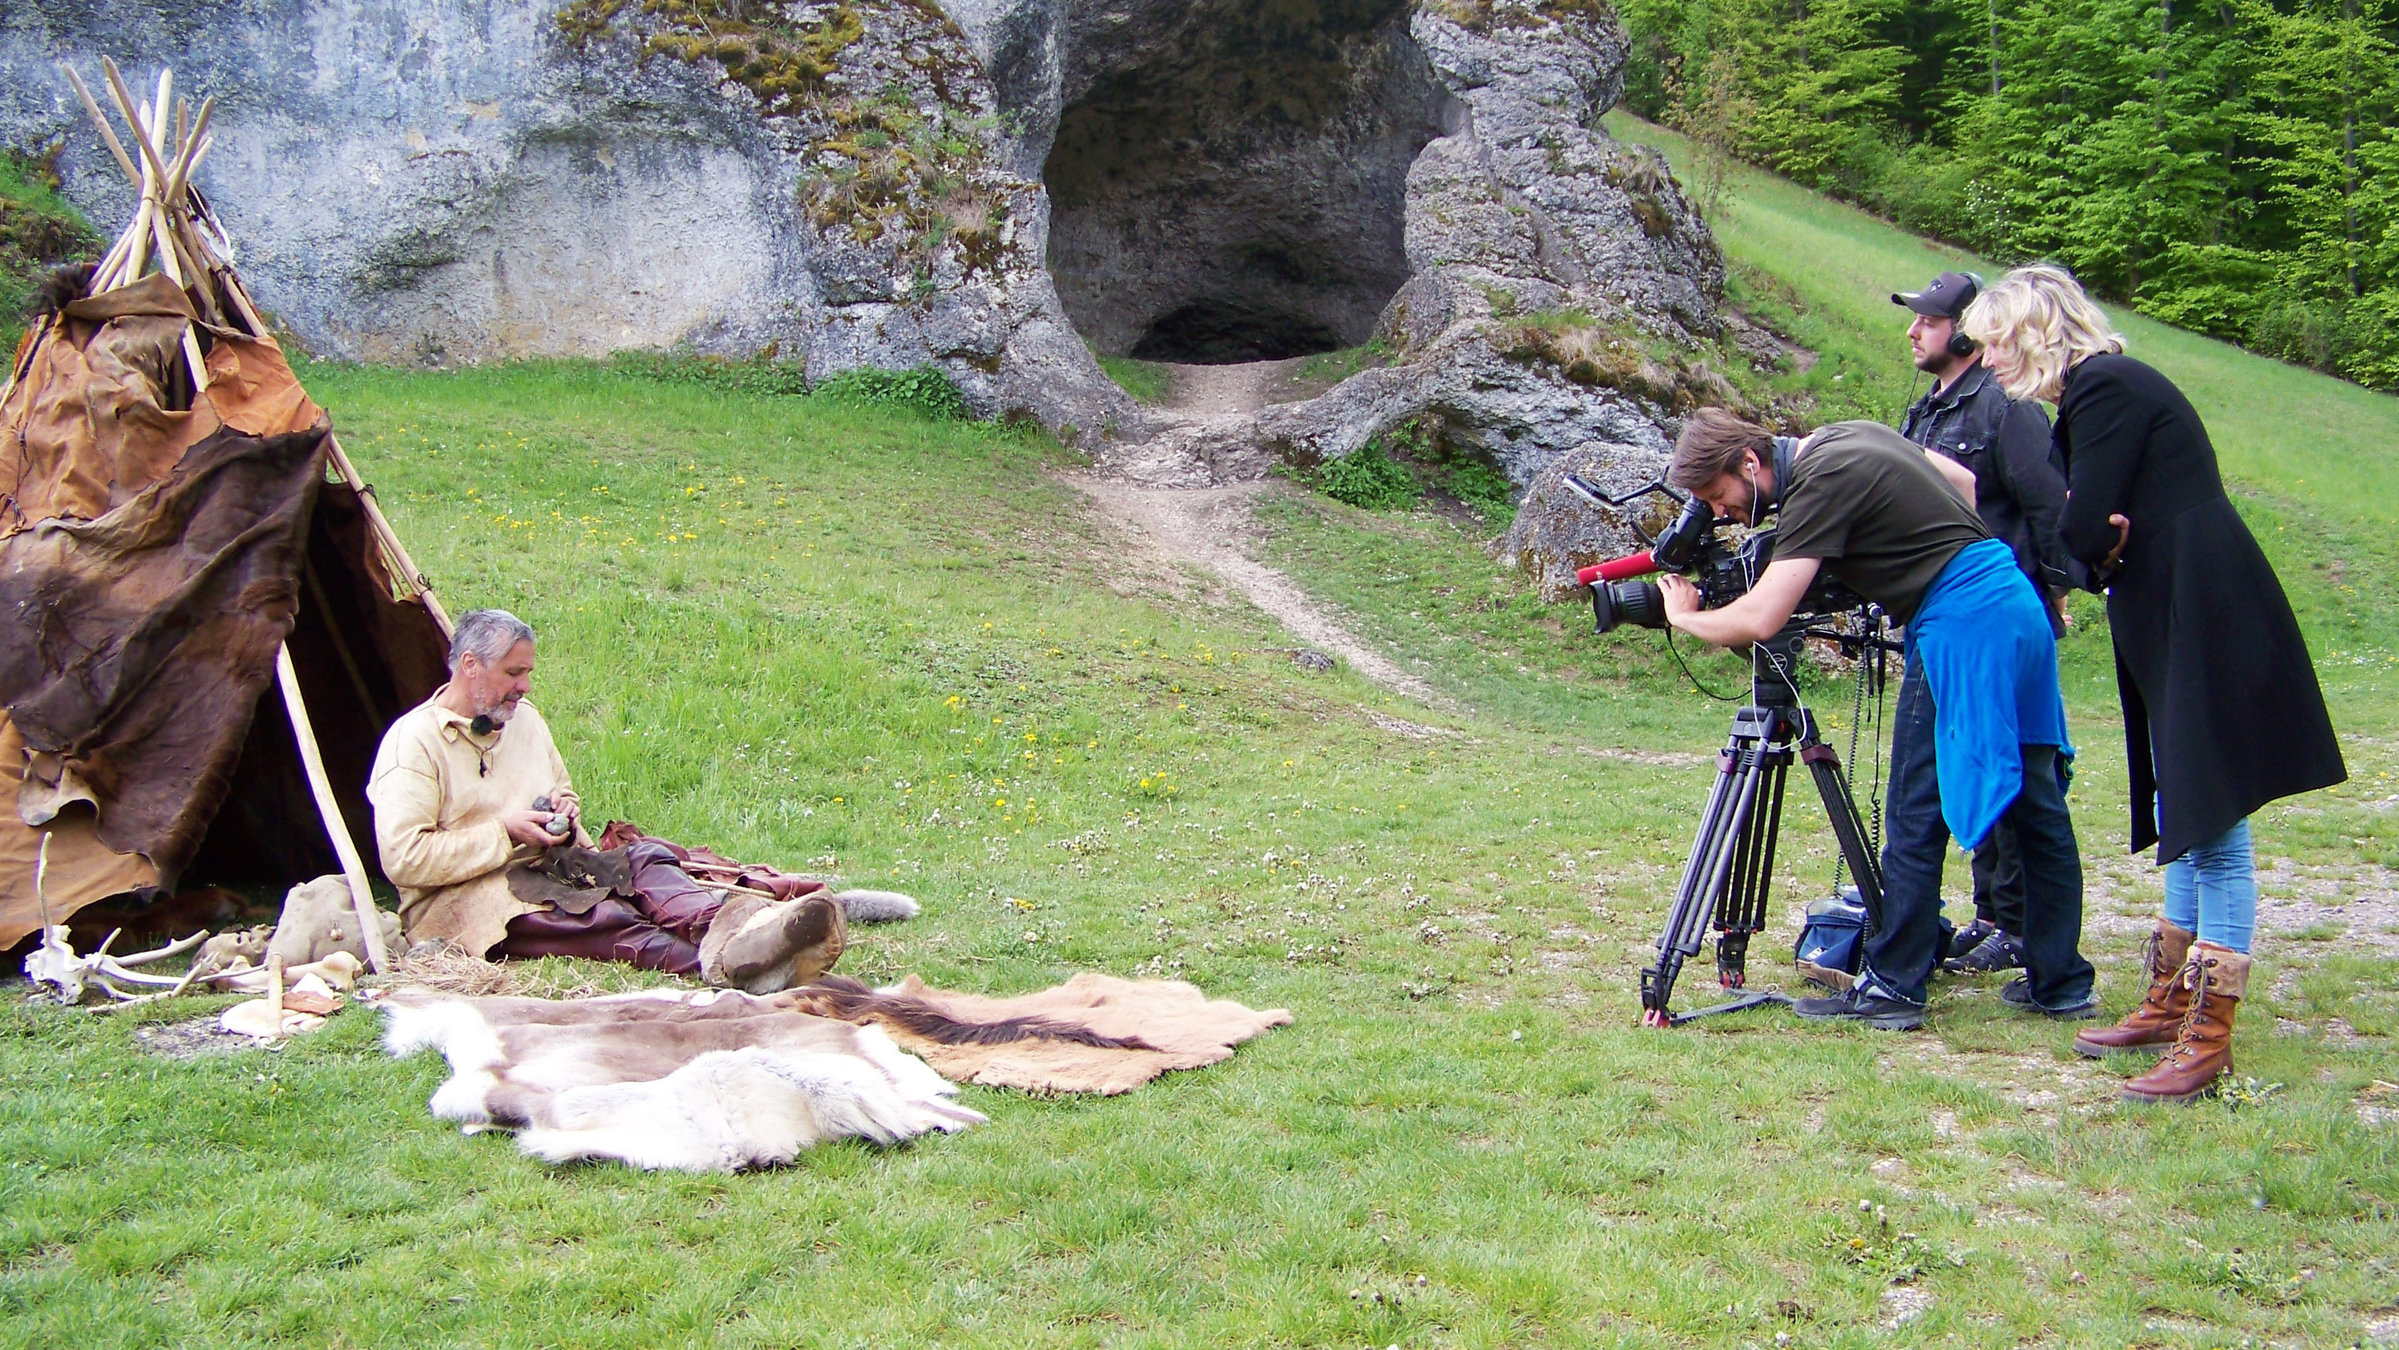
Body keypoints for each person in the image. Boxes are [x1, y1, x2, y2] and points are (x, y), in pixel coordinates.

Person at [1963, 266, 2346, 1102]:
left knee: (2210, 809)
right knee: (2184, 800)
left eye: (1993, 339)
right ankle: (2171, 1002)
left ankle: (2206, 1035)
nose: (1984, 356)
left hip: (2196, 600)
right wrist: (2100, 545)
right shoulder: (2096, 392)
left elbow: (2079, 522)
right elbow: (2091, 530)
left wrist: (2097, 545)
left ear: (2031, 332)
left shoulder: (2105, 387)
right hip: (2170, 596)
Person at [1660, 409, 2095, 1030]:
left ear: (1749, 464)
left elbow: (1761, 618)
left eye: (1720, 496)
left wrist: (1686, 617)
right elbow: (1964, 484)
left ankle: (1893, 985)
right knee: (2035, 800)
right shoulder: (1846, 435)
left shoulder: (1817, 482)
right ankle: (2062, 981)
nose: (1723, 513)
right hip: (2011, 600)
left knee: (1915, 806)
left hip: (1961, 622)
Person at [368, 608, 847, 991]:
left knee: (646, 858)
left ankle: (737, 934)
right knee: (603, 916)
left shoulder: (524, 719)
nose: (525, 686)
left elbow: (562, 788)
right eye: (514, 673)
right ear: (470, 665)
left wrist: (564, 810)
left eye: (528, 673)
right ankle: (736, 971)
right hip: (472, 897)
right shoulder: (413, 743)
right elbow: (404, 860)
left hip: (550, 864)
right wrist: (504, 832)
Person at [1892, 270, 2079, 976]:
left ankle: (2021, 924)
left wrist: (2054, 591)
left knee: (2010, 767)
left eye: (1928, 321)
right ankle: (1989, 916)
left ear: (1965, 331)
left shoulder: (2008, 405)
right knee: (1960, 759)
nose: (1913, 332)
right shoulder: (1923, 413)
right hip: (1940, 617)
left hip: (2002, 614)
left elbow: (2046, 504)